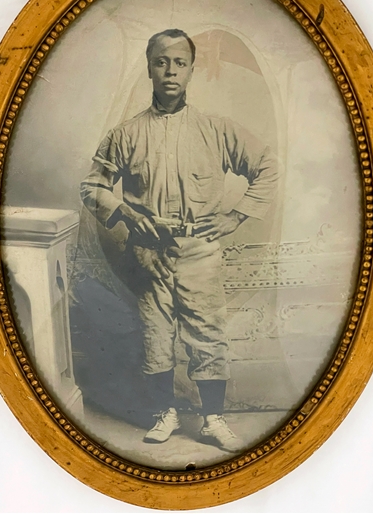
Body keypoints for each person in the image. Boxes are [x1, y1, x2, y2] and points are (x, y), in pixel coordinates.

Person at [80, 29, 280, 452]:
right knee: (155, 333)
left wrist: (236, 215)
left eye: (180, 63)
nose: (170, 71)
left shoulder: (216, 129)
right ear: (149, 68)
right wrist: (127, 213)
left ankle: (211, 420)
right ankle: (163, 413)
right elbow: (92, 186)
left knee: (207, 333)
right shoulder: (126, 134)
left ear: (191, 70)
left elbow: (266, 165)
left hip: (200, 250)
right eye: (161, 62)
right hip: (148, 251)